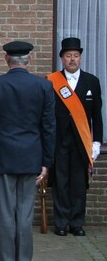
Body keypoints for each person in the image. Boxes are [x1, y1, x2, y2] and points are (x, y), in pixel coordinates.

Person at [0, 41, 56, 261]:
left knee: (5, 212)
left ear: (6, 59)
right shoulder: (43, 85)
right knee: (24, 213)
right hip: (31, 155)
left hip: (3, 155)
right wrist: (46, 161)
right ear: (28, 60)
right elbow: (49, 126)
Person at [47, 37, 103, 237]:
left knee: (79, 183)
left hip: (81, 140)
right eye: (68, 55)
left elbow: (97, 115)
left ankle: (77, 223)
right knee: (60, 182)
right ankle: (61, 222)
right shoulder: (51, 81)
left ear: (80, 58)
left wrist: (96, 142)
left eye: (76, 56)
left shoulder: (91, 81)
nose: (72, 59)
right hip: (59, 140)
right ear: (62, 59)